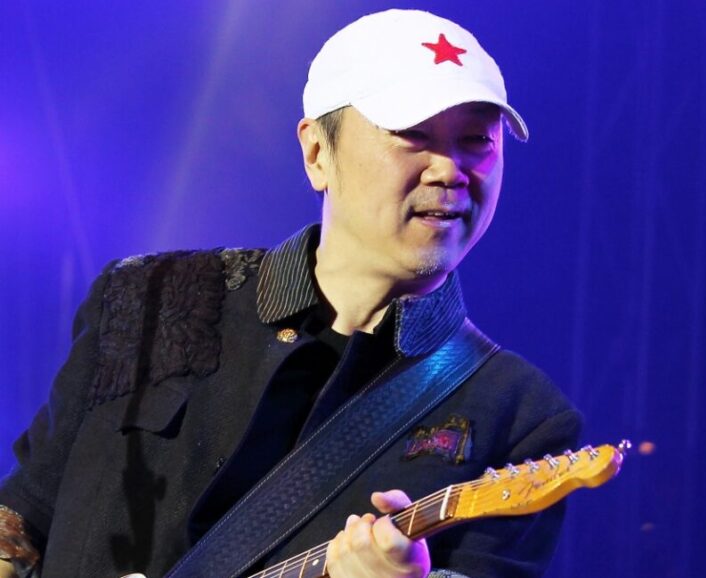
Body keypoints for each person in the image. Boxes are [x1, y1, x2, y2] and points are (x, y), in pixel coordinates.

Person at [0, 9, 582, 578]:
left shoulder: (521, 416)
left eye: (476, 140)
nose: (450, 170)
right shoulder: (150, 298)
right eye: (412, 135)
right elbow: (24, 518)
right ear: (316, 153)